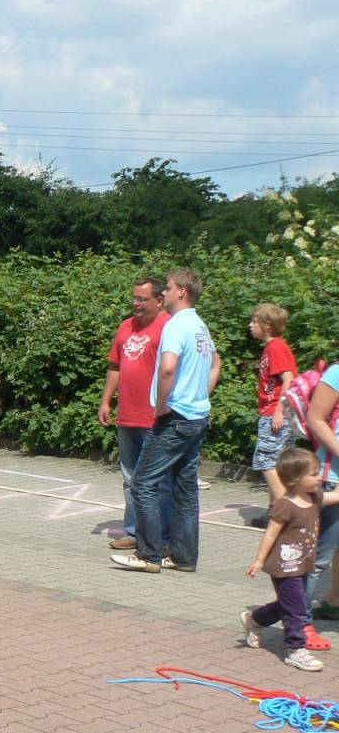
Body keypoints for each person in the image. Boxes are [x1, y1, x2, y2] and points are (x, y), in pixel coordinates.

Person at [111, 269, 220, 574]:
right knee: (185, 488)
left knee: (143, 483)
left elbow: (168, 368)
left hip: (174, 417)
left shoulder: (176, 325)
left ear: (181, 292)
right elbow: (214, 365)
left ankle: (148, 554)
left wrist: (160, 406)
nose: (165, 293)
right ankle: (184, 557)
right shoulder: (200, 326)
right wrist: (200, 395)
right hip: (197, 416)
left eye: (169, 288)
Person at [243, 447, 337, 671]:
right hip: (284, 566)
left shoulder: (314, 497)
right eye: (313, 474)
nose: (319, 478)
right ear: (296, 479)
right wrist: (258, 560)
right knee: (296, 608)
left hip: (304, 563)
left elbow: (335, 496)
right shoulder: (284, 505)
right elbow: (271, 534)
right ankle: (296, 649)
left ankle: (254, 619)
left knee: (289, 604)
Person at [97, 278, 173, 551]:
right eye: (134, 298)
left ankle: (163, 537)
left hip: (156, 416)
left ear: (159, 300)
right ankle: (133, 530)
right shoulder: (125, 326)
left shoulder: (169, 327)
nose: (136, 304)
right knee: (130, 479)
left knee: (159, 481)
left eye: (142, 299)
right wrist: (106, 400)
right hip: (127, 415)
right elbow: (115, 367)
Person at [248, 303, 298, 510]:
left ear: (267, 325)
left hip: (274, 414)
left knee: (266, 462)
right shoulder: (271, 347)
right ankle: (273, 512)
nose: (250, 325)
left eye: (254, 321)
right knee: (279, 464)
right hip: (275, 413)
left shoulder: (276, 347)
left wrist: (279, 410)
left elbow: (289, 377)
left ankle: (284, 512)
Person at [305, 363, 339, 624]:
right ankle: (298, 626)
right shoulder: (336, 373)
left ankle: (333, 604)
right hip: (333, 478)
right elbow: (315, 419)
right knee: (318, 560)